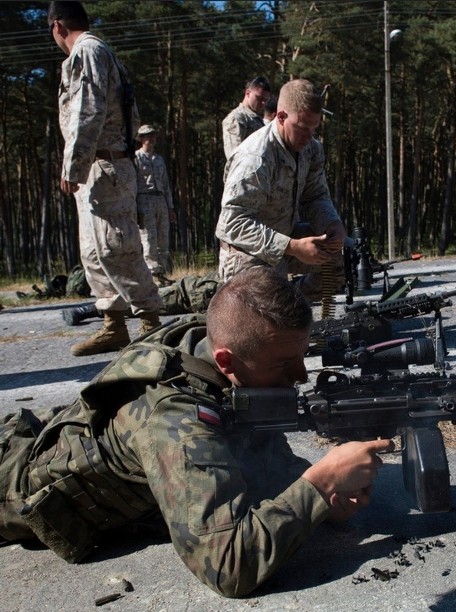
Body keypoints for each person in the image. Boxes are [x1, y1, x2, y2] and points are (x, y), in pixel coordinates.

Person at [0, 266, 394, 598]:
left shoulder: (213, 354)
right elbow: (229, 566)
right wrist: (319, 485)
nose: (300, 376)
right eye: (283, 364)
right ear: (227, 360)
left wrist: (323, 503)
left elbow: (261, 462)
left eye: (301, 356)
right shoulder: (177, 421)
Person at [48, 1, 161, 356]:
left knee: (118, 246)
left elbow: (88, 110)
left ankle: (150, 324)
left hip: (105, 165)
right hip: (100, 169)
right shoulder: (97, 52)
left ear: (57, 26)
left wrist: (73, 164)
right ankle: (114, 325)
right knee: (94, 252)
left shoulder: (88, 52)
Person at [215, 78, 346, 301]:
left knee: (342, 257)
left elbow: (315, 195)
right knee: (268, 318)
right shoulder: (256, 157)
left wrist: (332, 224)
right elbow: (232, 224)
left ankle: (293, 303)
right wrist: (292, 246)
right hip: (248, 254)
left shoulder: (310, 149)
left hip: (285, 237)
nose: (309, 136)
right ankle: (280, 308)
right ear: (281, 116)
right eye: (303, 128)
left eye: (314, 128)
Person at [135, 124, 177, 287]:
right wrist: (135, 207)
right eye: (147, 136)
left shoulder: (158, 159)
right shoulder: (136, 158)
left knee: (163, 238)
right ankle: (152, 274)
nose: (151, 139)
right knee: (149, 239)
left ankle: (161, 272)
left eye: (153, 136)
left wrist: (170, 206)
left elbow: (166, 185)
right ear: (141, 138)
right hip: (144, 200)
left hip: (160, 200)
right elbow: (133, 184)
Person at [221, 76, 271, 161]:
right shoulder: (236, 118)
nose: (263, 103)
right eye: (259, 98)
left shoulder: (255, 118)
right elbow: (234, 156)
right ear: (248, 93)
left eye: (265, 100)